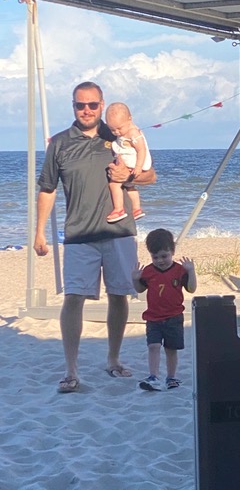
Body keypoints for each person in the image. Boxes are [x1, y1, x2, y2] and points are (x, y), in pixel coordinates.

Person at [34, 81, 156, 393]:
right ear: (73, 106)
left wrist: (129, 175)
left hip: (119, 231)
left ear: (102, 105)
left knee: (119, 295)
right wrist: (39, 232)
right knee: (73, 298)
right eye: (80, 105)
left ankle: (113, 359)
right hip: (79, 234)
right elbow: (47, 189)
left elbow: (150, 174)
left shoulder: (117, 134)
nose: (86, 110)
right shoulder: (59, 143)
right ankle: (71, 370)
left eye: (92, 105)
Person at [132, 228, 197, 392]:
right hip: (153, 317)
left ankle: (171, 377)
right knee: (153, 346)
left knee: (171, 349)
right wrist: (135, 279)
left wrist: (191, 271)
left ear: (172, 252)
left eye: (164, 256)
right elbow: (140, 289)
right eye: (155, 257)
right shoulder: (148, 271)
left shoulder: (179, 270)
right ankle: (153, 376)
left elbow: (191, 288)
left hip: (174, 317)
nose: (160, 261)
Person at [105, 102, 152, 223]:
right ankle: (136, 209)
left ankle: (119, 209)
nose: (117, 132)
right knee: (130, 186)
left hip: (133, 164)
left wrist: (138, 167)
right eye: (112, 130)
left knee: (114, 184)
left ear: (129, 119)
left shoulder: (133, 133)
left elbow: (141, 150)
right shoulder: (124, 131)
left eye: (119, 128)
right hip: (130, 165)